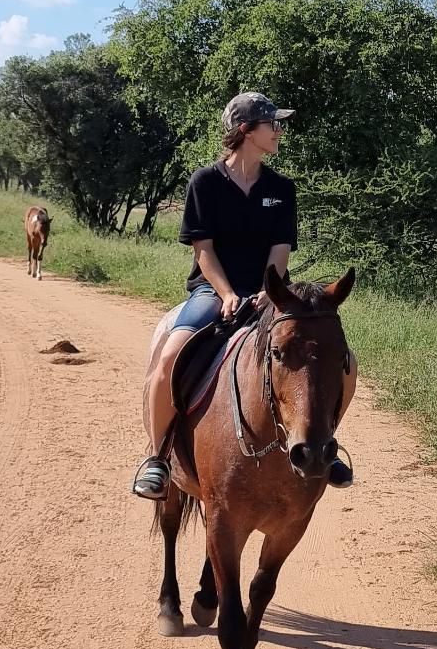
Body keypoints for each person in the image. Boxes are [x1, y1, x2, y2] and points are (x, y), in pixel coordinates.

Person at [132, 92, 355, 498]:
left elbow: (280, 252)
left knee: (345, 362)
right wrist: (229, 294)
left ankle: (325, 445)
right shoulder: (205, 183)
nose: (279, 131)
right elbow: (204, 251)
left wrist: (271, 295)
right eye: (273, 124)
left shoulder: (281, 189)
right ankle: (158, 457)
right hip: (211, 289)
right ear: (246, 130)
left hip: (269, 293)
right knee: (168, 357)